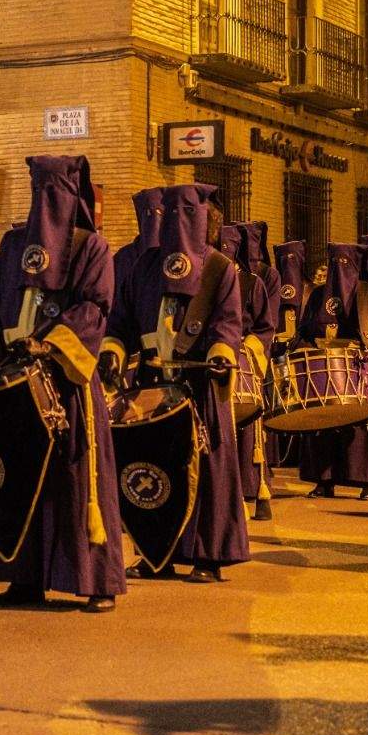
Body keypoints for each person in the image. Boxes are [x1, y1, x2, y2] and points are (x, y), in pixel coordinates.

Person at [0, 155, 125, 612]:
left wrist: (50, 345)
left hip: (65, 380)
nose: (46, 200)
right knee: (20, 478)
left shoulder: (92, 247)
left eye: (55, 191)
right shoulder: (13, 244)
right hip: (14, 380)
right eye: (39, 190)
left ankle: (95, 581)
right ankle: (24, 579)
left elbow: (95, 307)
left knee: (75, 480)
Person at [102, 183, 248, 583]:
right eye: (171, 214)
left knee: (207, 471)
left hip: (200, 383)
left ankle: (208, 556)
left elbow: (229, 323)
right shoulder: (143, 268)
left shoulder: (220, 269)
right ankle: (156, 553)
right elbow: (121, 321)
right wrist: (113, 351)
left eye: (187, 214)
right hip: (151, 381)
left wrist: (220, 353)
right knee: (153, 464)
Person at [295, 243, 368, 501]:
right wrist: (310, 346)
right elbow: (303, 332)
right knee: (324, 424)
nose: (339, 270)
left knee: (363, 426)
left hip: (358, 368)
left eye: (345, 264)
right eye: (334, 263)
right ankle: (324, 480)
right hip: (324, 368)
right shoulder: (318, 295)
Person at [226, 221, 279, 521]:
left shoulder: (252, 283)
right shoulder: (202, 277)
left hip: (244, 361)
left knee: (249, 431)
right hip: (214, 363)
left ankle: (254, 492)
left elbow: (264, 326)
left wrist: (250, 347)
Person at [112, 187, 165, 298]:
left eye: (160, 213)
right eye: (148, 213)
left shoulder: (174, 256)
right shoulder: (124, 257)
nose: (155, 219)